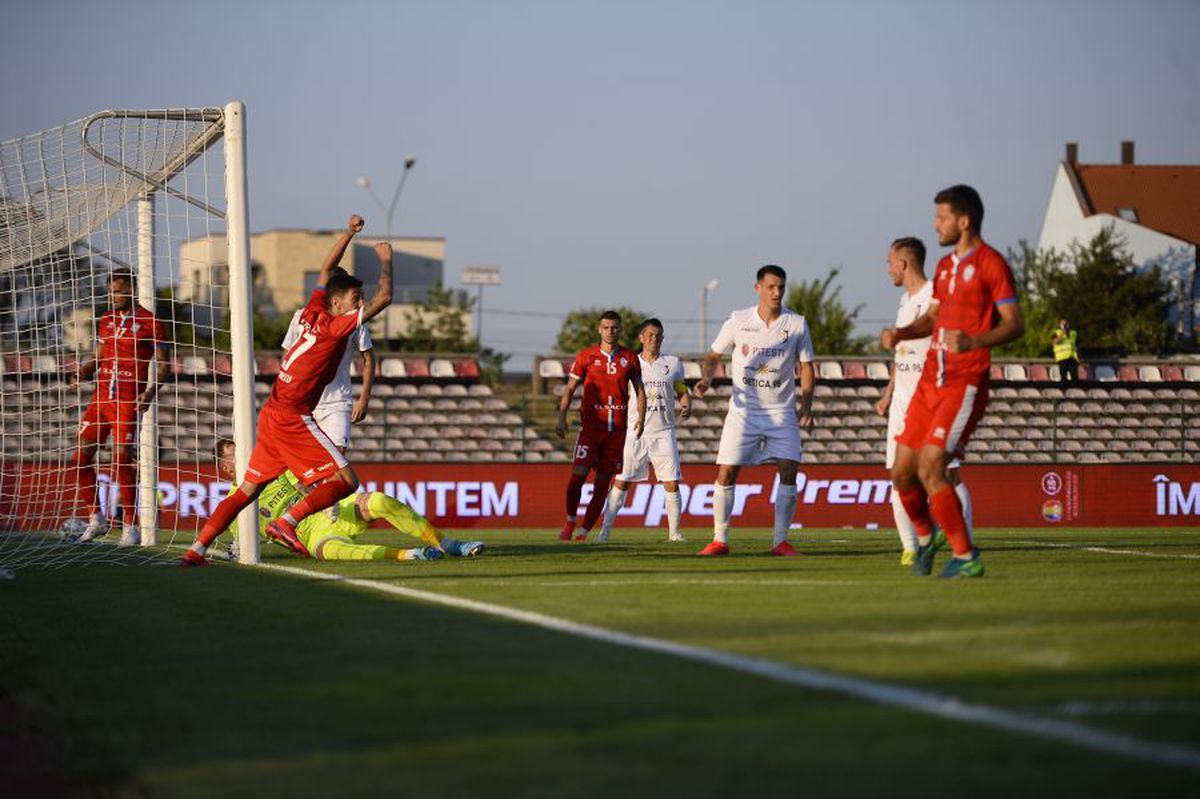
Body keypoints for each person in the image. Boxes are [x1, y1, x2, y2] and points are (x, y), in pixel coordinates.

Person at [182, 214, 391, 566]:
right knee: (348, 480)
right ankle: (287, 522)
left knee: (248, 489)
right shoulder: (334, 331)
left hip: (273, 412)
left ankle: (196, 550)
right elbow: (385, 297)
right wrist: (385, 259)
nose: (360, 303)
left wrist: (348, 233)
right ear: (336, 304)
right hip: (293, 416)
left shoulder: (311, 312)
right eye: (355, 297)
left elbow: (325, 269)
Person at [881, 185, 1024, 579]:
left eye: (941, 217)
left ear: (964, 221)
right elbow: (933, 318)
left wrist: (974, 341)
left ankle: (966, 555)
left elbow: (1015, 325)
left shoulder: (992, 264)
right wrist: (901, 334)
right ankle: (927, 538)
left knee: (932, 467)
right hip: (930, 380)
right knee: (901, 473)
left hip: (964, 381)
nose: (935, 224)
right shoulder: (945, 267)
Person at [694, 265, 815, 557]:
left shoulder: (796, 323)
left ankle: (780, 542)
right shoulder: (738, 320)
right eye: (771, 286)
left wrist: (806, 406)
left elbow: (807, 366)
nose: (776, 292)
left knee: (789, 469)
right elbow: (713, 354)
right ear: (758, 288)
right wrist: (707, 378)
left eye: (781, 287)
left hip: (781, 411)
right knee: (727, 471)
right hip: (744, 412)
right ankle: (719, 540)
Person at [211, 440, 484, 562]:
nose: (245, 453)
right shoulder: (235, 505)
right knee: (337, 552)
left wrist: (327, 498)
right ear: (225, 467)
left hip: (331, 512)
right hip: (312, 537)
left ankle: (448, 544)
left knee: (379, 501)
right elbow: (246, 544)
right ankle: (411, 555)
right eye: (235, 453)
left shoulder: (275, 472)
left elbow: (311, 484)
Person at [875, 237, 974, 566]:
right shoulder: (905, 301)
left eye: (890, 262)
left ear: (903, 264)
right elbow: (903, 353)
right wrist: (889, 391)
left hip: (932, 401)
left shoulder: (935, 295)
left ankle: (964, 543)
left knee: (949, 475)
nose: (887, 268)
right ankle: (911, 546)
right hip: (902, 404)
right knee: (898, 476)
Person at [70, 268, 170, 546]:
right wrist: (82, 372)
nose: (113, 296)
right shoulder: (106, 319)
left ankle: (130, 526)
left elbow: (164, 365)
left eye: (118, 291)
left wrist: (150, 392)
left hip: (127, 402)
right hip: (100, 399)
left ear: (132, 290)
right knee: (79, 460)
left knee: (121, 459)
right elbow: (97, 356)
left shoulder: (151, 322)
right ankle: (96, 519)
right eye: (110, 292)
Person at [596, 318, 691, 543]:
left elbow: (681, 389)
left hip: (664, 432)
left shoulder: (673, 363)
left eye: (658, 335)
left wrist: (686, 404)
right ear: (641, 338)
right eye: (650, 335)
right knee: (622, 481)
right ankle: (605, 531)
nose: (654, 339)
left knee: (671, 483)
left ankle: (674, 533)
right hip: (635, 432)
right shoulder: (629, 363)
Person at [554, 311, 647, 542]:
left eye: (614, 327)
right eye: (606, 327)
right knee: (577, 476)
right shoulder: (586, 356)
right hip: (590, 430)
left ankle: (584, 532)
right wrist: (562, 417)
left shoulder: (629, 357)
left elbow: (640, 390)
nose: (610, 331)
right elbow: (570, 389)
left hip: (616, 432)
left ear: (620, 329)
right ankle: (570, 521)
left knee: (602, 484)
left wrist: (641, 417)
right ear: (599, 330)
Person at [281, 266, 376, 452]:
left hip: (337, 403)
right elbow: (287, 356)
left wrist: (364, 399)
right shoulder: (302, 315)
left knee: (337, 458)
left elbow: (369, 359)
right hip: (304, 403)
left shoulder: (355, 322)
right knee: (303, 463)